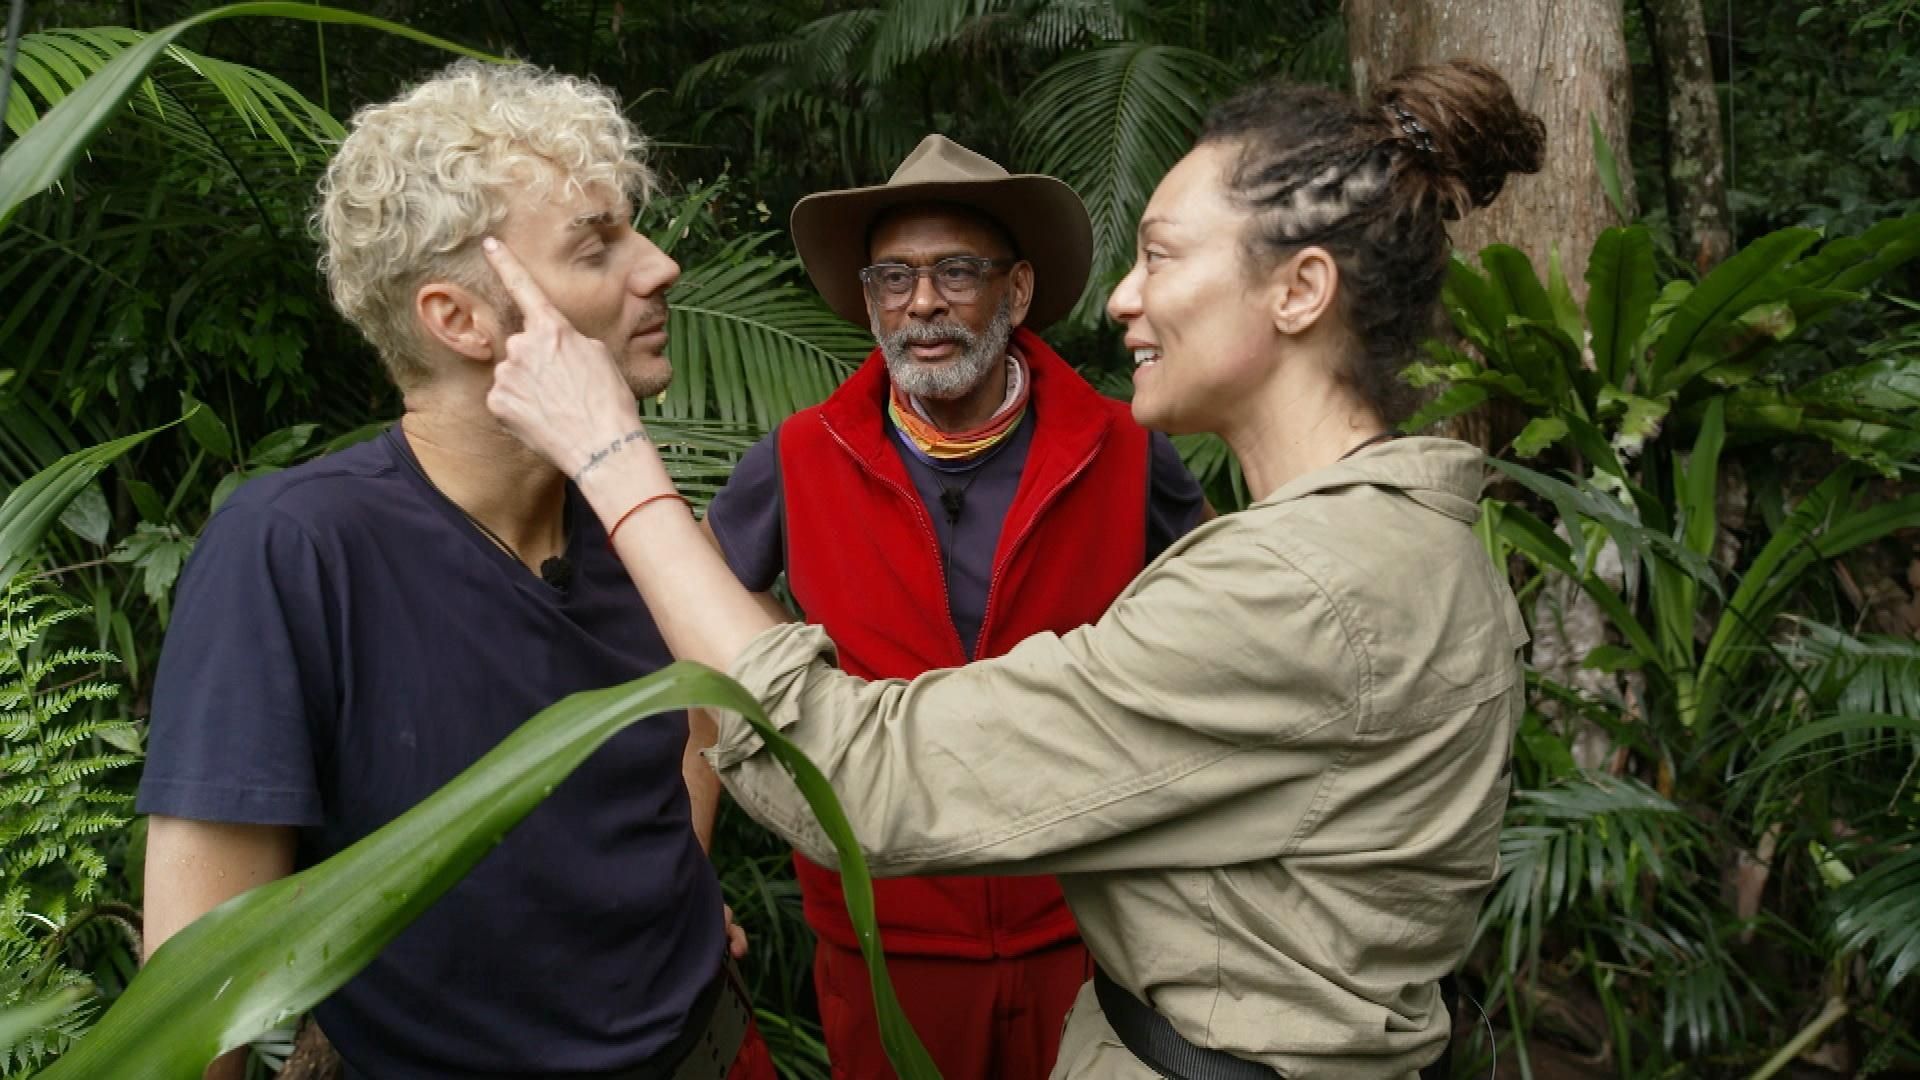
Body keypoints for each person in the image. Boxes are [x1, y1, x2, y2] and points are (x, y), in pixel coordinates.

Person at [483, 58, 1541, 1079]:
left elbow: (873, 776)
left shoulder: (1265, 567)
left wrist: (610, 455)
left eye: (1162, 256)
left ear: (1303, 290)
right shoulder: (1406, 542)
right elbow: (713, 647)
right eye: (893, 278)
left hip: (1066, 947)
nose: (1124, 300)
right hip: (914, 952)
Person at [137, 60, 772, 1080]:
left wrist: (672, 896)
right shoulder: (295, 551)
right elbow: (196, 991)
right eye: (597, 245)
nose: (659, 267)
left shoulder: (636, 518)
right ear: (462, 320)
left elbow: (699, 721)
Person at [700, 134, 1207, 1080]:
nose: (921, 303)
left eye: (954, 273)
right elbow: (699, 663)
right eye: (893, 277)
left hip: (1094, 937)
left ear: (1015, 292)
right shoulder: (799, 458)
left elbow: (1221, 642)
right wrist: (685, 875)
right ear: (866, 301)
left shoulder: (1126, 450)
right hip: (883, 945)